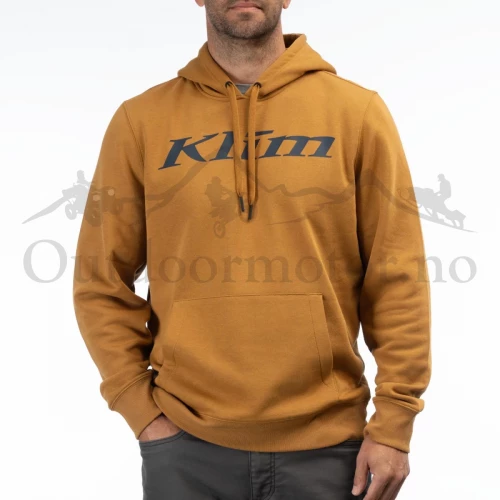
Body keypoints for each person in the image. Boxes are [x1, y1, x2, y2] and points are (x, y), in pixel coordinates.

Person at [72, 1, 432, 499]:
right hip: (186, 446)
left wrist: (394, 422)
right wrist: (142, 411)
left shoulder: (356, 112)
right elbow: (99, 279)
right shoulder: (141, 121)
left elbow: (397, 275)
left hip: (330, 447)